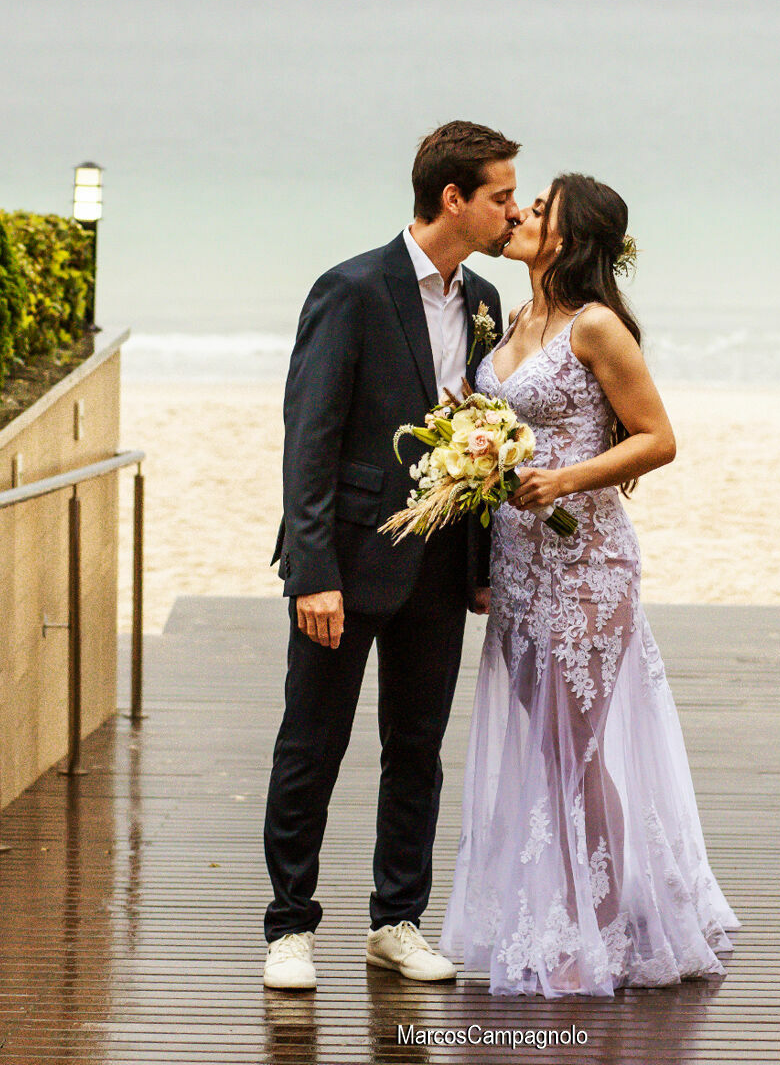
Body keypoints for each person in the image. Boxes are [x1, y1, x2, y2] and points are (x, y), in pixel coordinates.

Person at [440, 174, 739, 997]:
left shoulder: (595, 326)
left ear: (567, 239)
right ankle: (580, 906)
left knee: (569, 752)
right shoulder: (505, 322)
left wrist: (564, 480)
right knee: (556, 745)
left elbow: (657, 438)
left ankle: (592, 928)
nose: (519, 214)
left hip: (586, 566)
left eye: (537, 210)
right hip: (515, 566)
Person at [263, 121, 521, 990]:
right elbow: (311, 439)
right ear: (453, 199)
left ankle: (396, 921)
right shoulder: (351, 289)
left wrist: (481, 562)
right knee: (313, 744)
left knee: (416, 749)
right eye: (500, 195)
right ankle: (288, 928)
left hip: (441, 569)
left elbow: (482, 434)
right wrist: (313, 573)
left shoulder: (483, 297)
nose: (511, 210)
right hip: (345, 563)